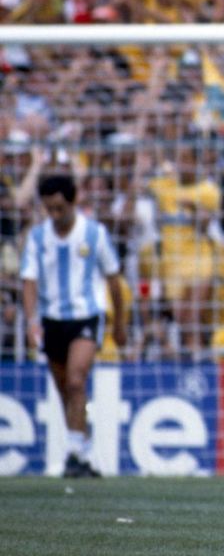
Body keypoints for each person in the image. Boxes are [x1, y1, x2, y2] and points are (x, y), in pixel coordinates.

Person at [20, 173, 126, 477]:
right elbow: (29, 281)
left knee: (77, 380)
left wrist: (119, 324)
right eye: (48, 209)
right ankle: (82, 452)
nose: (54, 215)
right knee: (65, 389)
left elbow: (114, 281)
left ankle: (75, 453)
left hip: (86, 317)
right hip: (52, 320)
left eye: (59, 208)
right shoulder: (39, 238)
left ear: (73, 201)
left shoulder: (95, 234)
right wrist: (30, 321)